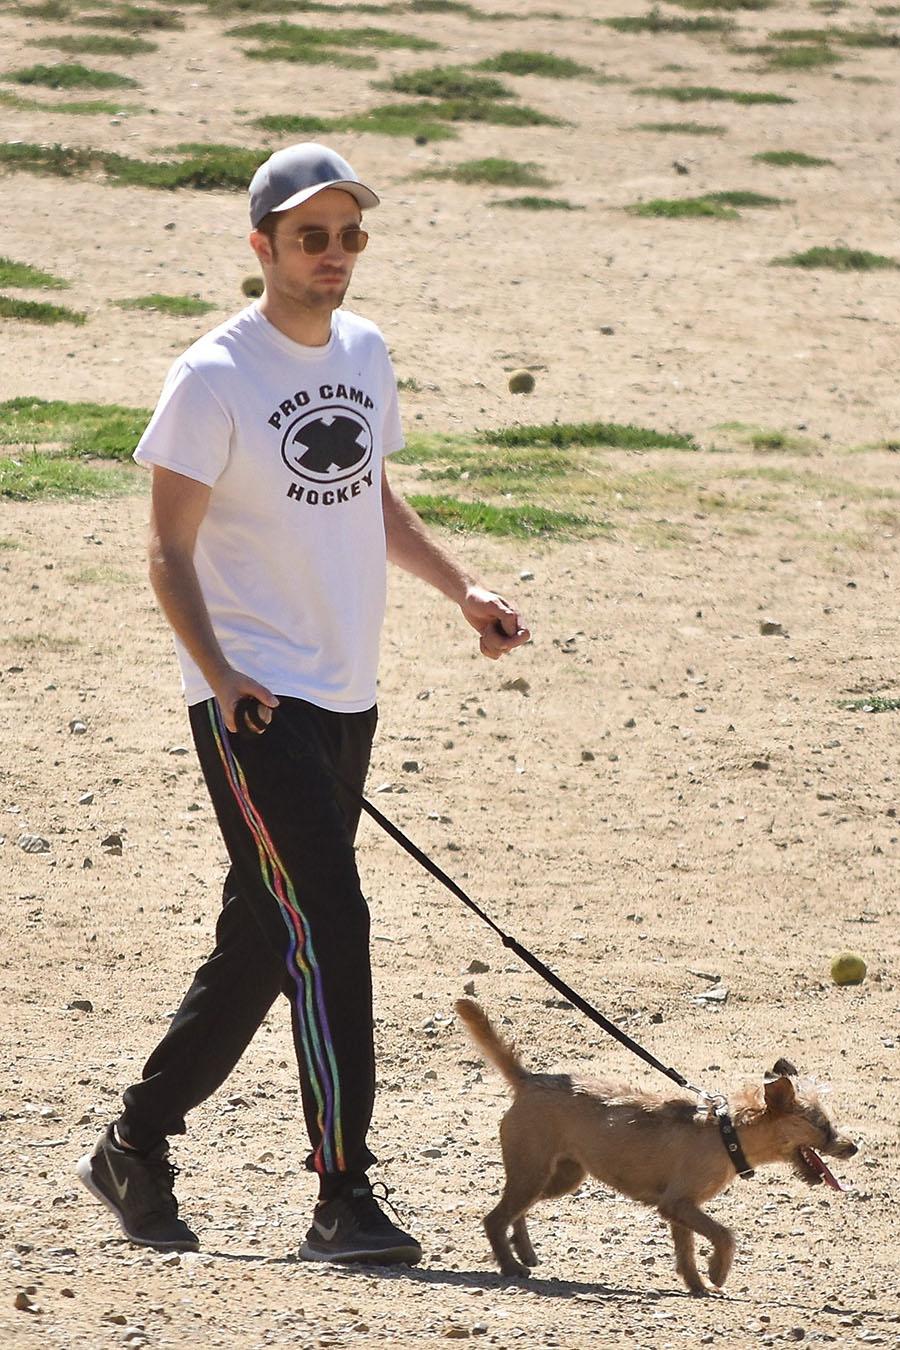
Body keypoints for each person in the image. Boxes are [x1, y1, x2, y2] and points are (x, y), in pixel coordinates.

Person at [75, 143, 530, 1266]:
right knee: (329, 923)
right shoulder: (215, 376)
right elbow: (167, 553)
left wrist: (460, 588)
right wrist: (220, 674)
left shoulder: (367, 353)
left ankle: (134, 1143)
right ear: (263, 247)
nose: (333, 256)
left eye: (349, 236)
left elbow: (367, 493)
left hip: (347, 690)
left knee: (266, 934)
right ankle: (343, 1196)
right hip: (255, 703)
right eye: (310, 237)